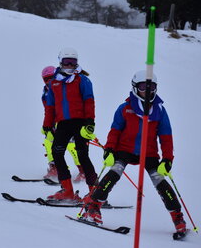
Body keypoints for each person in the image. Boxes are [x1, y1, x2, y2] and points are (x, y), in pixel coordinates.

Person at [82, 70, 187, 235]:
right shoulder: (125, 108)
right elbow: (115, 130)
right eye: (144, 86)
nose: (148, 90)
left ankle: (178, 217)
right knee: (114, 173)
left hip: (149, 152)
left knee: (160, 181)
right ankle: (94, 207)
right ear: (135, 87)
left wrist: (167, 159)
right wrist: (109, 149)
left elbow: (166, 136)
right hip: (125, 149)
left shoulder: (159, 110)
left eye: (152, 86)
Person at [42, 48, 98, 201]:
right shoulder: (54, 82)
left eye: (73, 62)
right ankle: (67, 190)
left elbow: (89, 101)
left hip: (80, 123)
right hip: (63, 124)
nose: (69, 65)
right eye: (66, 62)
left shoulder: (82, 80)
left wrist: (89, 122)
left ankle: (95, 193)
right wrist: (47, 125)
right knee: (57, 153)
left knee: (82, 155)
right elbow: (50, 106)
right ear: (60, 62)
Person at [41, 66, 86, 183]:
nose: (49, 81)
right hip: (56, 123)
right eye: (46, 79)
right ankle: (55, 168)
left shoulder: (62, 88)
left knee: (72, 146)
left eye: (51, 78)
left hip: (69, 121)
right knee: (49, 142)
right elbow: (48, 111)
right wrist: (47, 126)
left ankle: (83, 170)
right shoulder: (45, 93)